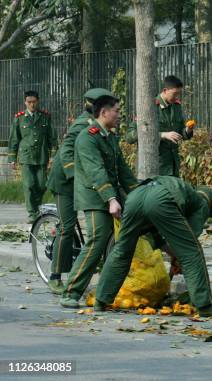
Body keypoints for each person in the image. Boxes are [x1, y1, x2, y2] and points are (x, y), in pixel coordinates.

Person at [94, 176, 212, 317]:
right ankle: (205, 305)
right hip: (160, 200)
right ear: (210, 205)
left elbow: (157, 237)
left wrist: (173, 256)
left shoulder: (180, 187)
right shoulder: (201, 203)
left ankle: (101, 300)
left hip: (135, 197)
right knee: (192, 252)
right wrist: (180, 258)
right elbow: (188, 245)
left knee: (122, 251)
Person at [60, 94, 138, 308]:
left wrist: (138, 193)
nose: (120, 115)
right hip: (94, 197)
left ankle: (107, 291)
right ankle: (71, 291)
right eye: (117, 110)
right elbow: (96, 171)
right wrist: (112, 199)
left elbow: (122, 170)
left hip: (110, 194)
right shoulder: (87, 137)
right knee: (98, 239)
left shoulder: (110, 137)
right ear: (104, 113)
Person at [46, 88, 114, 294]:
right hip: (64, 182)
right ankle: (55, 276)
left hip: (82, 181)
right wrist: (76, 176)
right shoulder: (82, 125)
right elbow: (66, 151)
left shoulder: (98, 125)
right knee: (67, 226)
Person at [126, 75, 193, 177]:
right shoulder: (149, 106)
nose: (177, 97)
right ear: (165, 90)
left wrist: (187, 130)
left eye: (179, 94)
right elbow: (130, 136)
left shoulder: (176, 106)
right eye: (175, 94)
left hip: (172, 166)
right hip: (154, 167)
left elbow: (180, 132)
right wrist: (162, 135)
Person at [8, 90, 56, 223]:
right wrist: (12, 158)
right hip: (26, 157)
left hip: (41, 156)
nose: (32, 105)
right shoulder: (19, 118)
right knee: (29, 185)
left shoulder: (45, 117)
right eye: (29, 102)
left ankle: (37, 207)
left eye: (34, 102)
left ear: (38, 101)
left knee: (42, 185)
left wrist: (52, 156)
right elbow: (14, 139)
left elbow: (52, 138)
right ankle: (32, 212)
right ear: (25, 102)